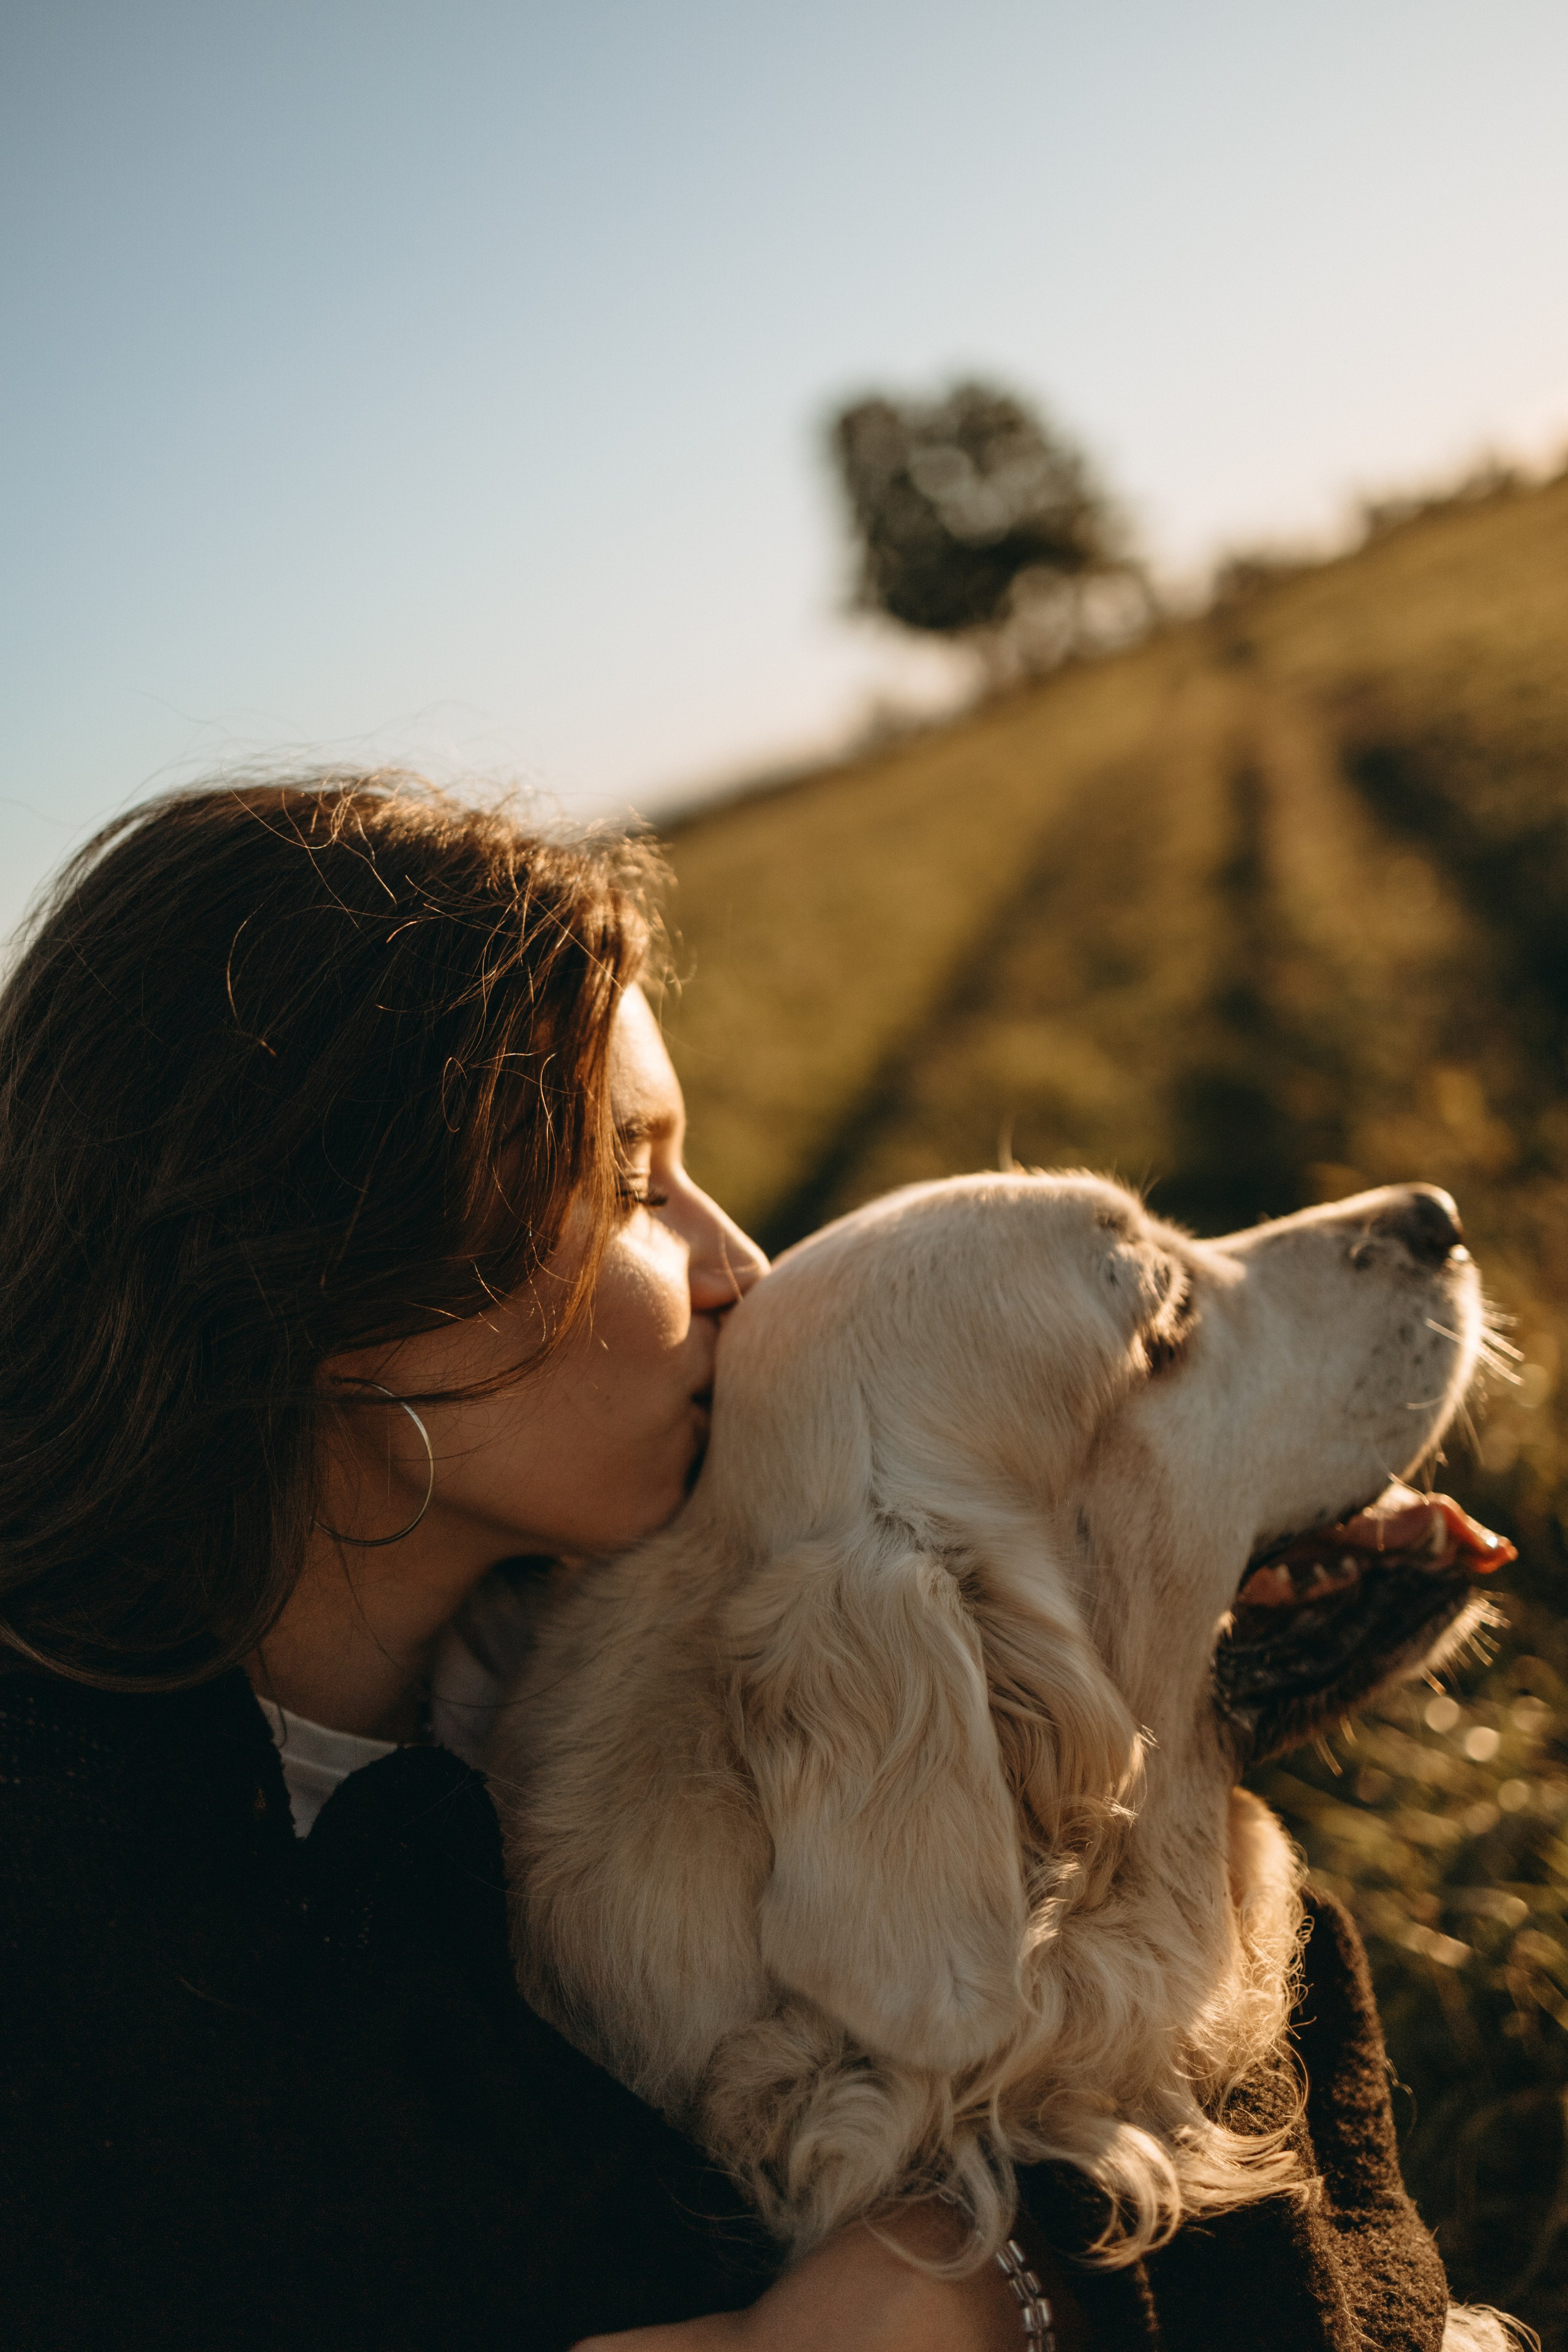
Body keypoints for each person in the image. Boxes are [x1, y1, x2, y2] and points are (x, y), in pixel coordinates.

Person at [0, 775, 1460, 2352]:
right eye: (634, 1184)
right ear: (338, 1298)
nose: (734, 1262)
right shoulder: (108, 1973)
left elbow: (1302, 2136)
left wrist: (992, 2273)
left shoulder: (575, 1653)